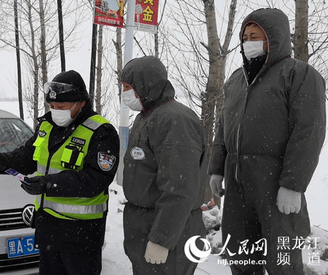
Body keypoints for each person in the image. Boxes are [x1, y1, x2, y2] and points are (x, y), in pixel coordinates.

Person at [208, 8, 326, 274]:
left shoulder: (300, 75)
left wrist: (293, 184)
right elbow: (223, 125)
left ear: (273, 38)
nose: (248, 41)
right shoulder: (236, 80)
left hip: (275, 182)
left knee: (282, 258)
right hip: (238, 182)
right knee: (241, 255)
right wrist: (217, 167)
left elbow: (309, 131)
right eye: (245, 36)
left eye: (255, 35)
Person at [0, 70, 119, 274]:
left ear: (80, 103)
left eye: (61, 107)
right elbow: (29, 156)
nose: (56, 111)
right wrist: (4, 160)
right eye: (52, 106)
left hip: (81, 235)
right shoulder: (47, 125)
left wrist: (49, 184)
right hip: (48, 230)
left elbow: (95, 180)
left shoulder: (101, 132)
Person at [120, 56, 207, 274]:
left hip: (171, 232)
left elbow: (179, 187)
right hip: (146, 224)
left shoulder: (175, 121)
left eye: (128, 87)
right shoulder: (148, 116)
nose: (125, 92)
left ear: (146, 84)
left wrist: (162, 239)